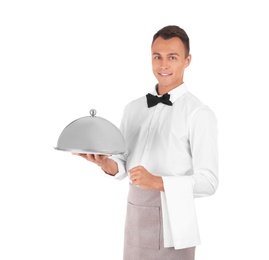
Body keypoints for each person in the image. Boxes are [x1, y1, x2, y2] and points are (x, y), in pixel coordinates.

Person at [75, 25, 218, 260]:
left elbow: (209, 182)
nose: (163, 65)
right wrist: (105, 164)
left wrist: (158, 181)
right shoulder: (133, 109)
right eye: (157, 57)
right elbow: (122, 163)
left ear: (187, 60)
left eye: (172, 57)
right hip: (136, 214)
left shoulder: (199, 114)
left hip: (176, 222)